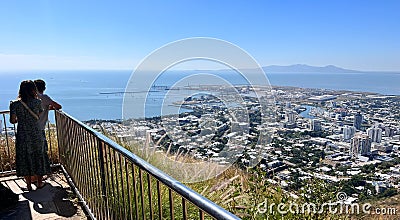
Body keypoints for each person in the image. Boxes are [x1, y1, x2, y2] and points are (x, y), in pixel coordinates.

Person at [9, 80, 51, 190]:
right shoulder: (37, 102)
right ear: (33, 89)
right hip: (36, 132)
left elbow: (12, 121)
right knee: (38, 155)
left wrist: (20, 118)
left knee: (25, 157)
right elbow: (38, 114)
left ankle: (28, 185)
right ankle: (39, 182)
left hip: (23, 133)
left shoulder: (14, 104)